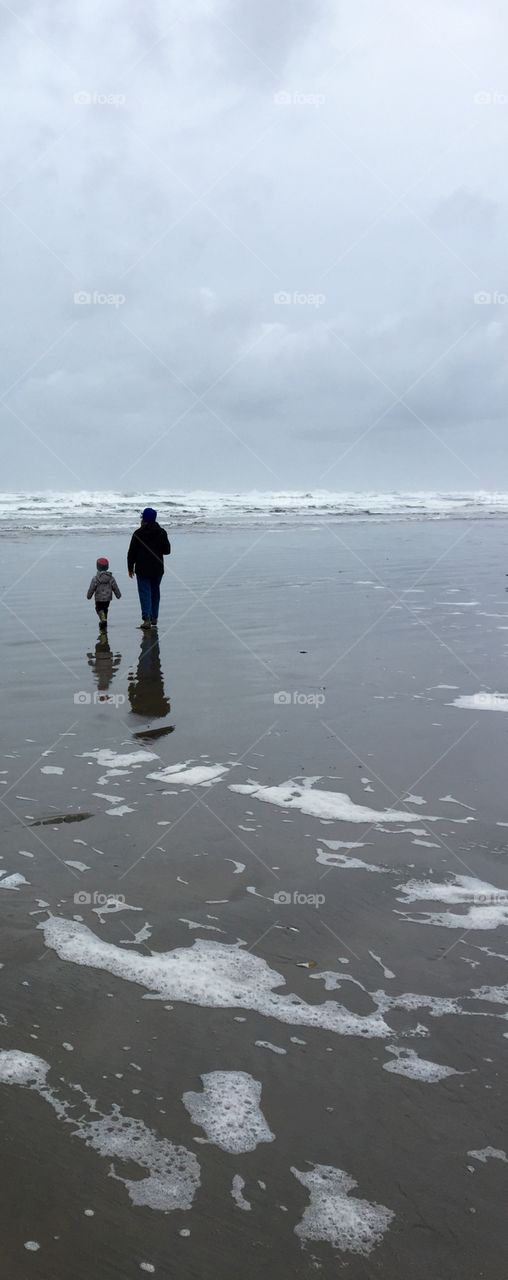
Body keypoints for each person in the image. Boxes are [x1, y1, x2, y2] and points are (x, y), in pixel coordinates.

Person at [127, 507, 171, 629]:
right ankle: (154, 617)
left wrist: (130, 568)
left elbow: (131, 553)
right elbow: (167, 551)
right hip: (157, 568)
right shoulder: (162, 532)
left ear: (144, 519)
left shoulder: (138, 533)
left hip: (142, 568)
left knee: (144, 592)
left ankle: (146, 618)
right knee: (155, 592)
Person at [86, 557, 121, 630]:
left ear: (97, 567)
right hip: (108, 598)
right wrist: (118, 595)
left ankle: (102, 619)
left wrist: (89, 596)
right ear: (107, 567)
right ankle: (104, 621)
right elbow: (115, 587)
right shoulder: (111, 578)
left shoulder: (95, 578)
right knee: (105, 608)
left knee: (98, 609)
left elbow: (91, 588)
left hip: (99, 598)